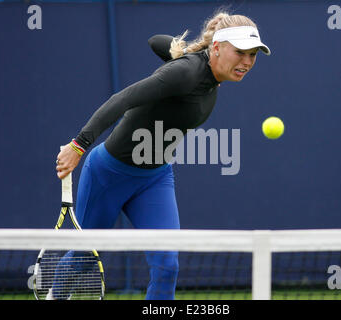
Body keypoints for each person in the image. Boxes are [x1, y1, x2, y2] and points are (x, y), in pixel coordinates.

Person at [54, 11, 271, 300]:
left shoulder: (211, 73)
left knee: (168, 265)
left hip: (155, 179)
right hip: (109, 174)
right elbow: (123, 99)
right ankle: (55, 295)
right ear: (217, 47)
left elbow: (156, 41)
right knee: (85, 257)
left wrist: (175, 50)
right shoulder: (184, 73)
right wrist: (78, 145)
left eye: (253, 55)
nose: (247, 62)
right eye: (241, 52)